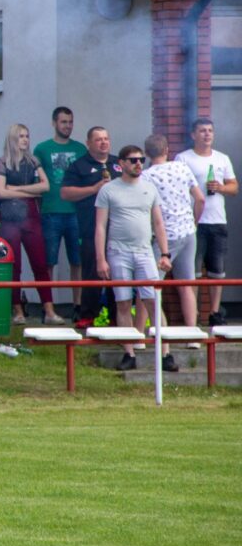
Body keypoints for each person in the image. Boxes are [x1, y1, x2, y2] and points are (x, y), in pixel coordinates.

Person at [95, 145, 179, 373]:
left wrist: (164, 253)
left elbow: (159, 223)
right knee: (123, 302)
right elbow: (101, 226)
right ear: (121, 163)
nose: (138, 164)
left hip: (144, 251)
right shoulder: (109, 190)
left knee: (153, 300)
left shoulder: (149, 188)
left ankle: (166, 354)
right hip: (118, 251)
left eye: (141, 159)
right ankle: (129, 353)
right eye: (133, 160)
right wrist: (101, 259)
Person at [0, 124, 61, 325]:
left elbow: (46, 186)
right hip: (10, 218)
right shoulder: (3, 162)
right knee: (14, 266)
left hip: (31, 217)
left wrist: (17, 189)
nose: (25, 140)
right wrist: (31, 191)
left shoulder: (33, 160)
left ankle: (49, 310)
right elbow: (0, 192)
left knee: (40, 263)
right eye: (21, 136)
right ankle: (18, 310)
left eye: (27, 136)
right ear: (12, 138)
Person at [142, 134, 205, 343]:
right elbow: (200, 198)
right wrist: (194, 221)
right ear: (166, 149)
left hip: (163, 237)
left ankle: (143, 334)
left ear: (147, 154)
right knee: (186, 284)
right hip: (187, 231)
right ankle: (192, 336)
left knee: (149, 285)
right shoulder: (182, 167)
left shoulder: (146, 176)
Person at [176, 117, 237, 327]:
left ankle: (214, 312)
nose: (207, 134)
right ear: (193, 135)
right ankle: (192, 317)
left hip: (218, 220)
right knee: (192, 271)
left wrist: (220, 187)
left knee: (217, 270)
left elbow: (234, 188)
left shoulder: (222, 158)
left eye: (210, 130)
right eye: (202, 131)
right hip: (194, 221)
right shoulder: (183, 159)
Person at [60, 126, 121, 329]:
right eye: (98, 139)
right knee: (92, 273)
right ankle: (87, 316)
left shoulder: (118, 164)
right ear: (88, 143)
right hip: (90, 228)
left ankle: (116, 317)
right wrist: (93, 189)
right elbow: (65, 193)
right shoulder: (79, 166)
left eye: (106, 139)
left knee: (117, 275)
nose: (103, 142)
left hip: (118, 229)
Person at [33, 107, 88, 318]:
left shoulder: (80, 149)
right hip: (50, 211)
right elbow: (36, 180)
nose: (68, 126)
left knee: (77, 261)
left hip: (75, 212)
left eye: (70, 122)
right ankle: (49, 306)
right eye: (64, 122)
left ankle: (77, 305)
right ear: (54, 123)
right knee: (49, 261)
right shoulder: (42, 149)